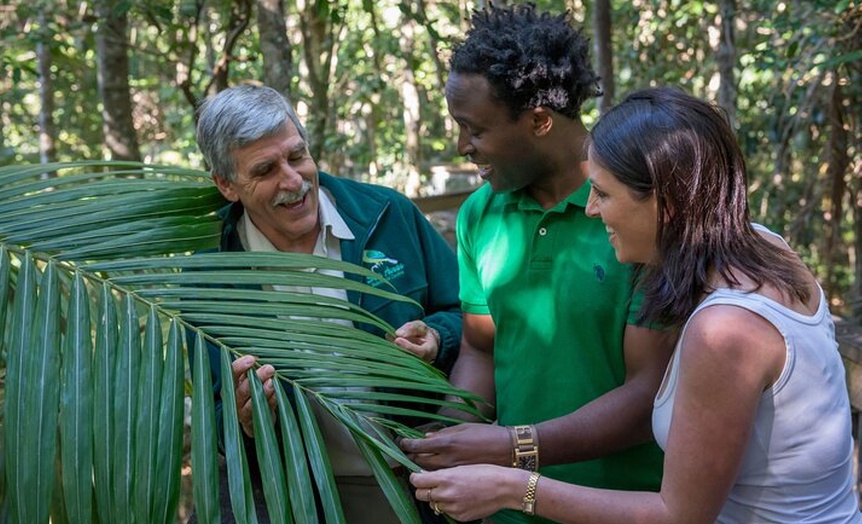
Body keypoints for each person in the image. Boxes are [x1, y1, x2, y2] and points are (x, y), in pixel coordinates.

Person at [409, 87, 862, 523]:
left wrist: (512, 487)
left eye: (603, 193)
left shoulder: (725, 331)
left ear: (666, 202)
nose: (590, 210)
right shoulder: (764, 245)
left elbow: (679, 516)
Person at [399, 4, 674, 523]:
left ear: (540, 121)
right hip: (503, 507)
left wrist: (509, 449)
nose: (462, 147)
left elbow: (648, 394)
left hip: (622, 505)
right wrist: (444, 437)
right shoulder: (480, 214)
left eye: (474, 129)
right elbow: (481, 350)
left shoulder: (637, 210)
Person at [189, 84, 462, 524]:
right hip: (301, 496)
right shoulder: (209, 275)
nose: (293, 181)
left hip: (420, 478)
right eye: (265, 170)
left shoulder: (386, 213)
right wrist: (244, 419)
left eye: (297, 156)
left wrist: (436, 337)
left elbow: (468, 313)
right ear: (226, 185)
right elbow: (214, 412)